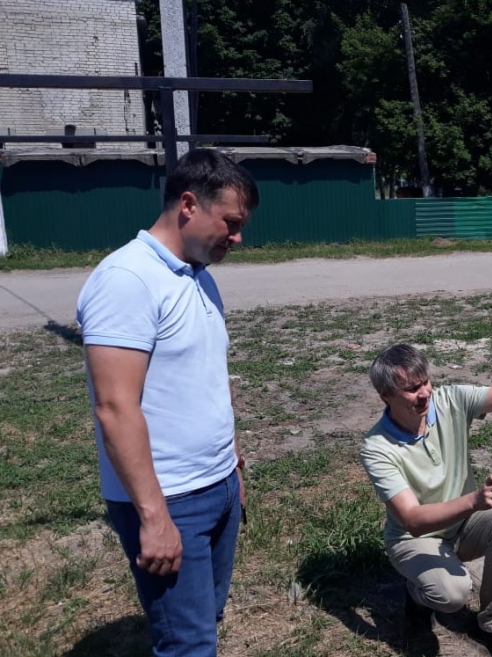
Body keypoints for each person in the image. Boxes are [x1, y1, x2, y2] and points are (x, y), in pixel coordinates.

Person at [76, 148, 259, 655]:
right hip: (172, 498)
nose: (238, 238)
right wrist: (154, 517)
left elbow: (211, 380)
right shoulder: (127, 280)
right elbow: (114, 407)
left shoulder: (198, 276)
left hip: (218, 485)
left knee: (206, 620)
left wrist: (233, 467)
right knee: (188, 644)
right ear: (188, 205)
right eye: (231, 223)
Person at [361, 344, 492, 657]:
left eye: (426, 382)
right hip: (414, 539)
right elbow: (413, 520)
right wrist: (474, 500)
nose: (425, 393)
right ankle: (417, 594)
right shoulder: (377, 447)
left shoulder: (450, 399)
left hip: (463, 523)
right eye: (411, 389)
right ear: (385, 395)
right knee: (452, 593)